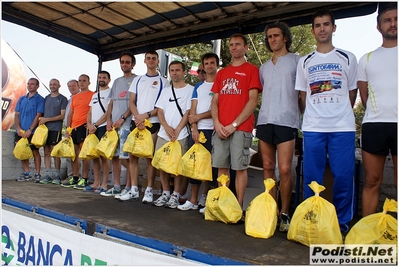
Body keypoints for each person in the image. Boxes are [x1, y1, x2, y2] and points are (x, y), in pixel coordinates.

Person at [295, 10, 358, 234]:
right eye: (318, 25)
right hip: (313, 128)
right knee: (312, 178)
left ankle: (341, 224)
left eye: (326, 24)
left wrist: (338, 113)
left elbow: (352, 93)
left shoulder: (348, 57)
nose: (322, 28)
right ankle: (312, 222)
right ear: (312, 31)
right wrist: (314, 116)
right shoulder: (305, 61)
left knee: (343, 176)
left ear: (334, 28)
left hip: (343, 127)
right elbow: (302, 96)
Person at [255, 22, 300, 232]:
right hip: (264, 120)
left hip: (287, 121)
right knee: (266, 168)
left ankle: (284, 213)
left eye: (276, 35)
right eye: (270, 36)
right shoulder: (263, 67)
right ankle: (271, 211)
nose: (272, 39)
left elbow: (302, 94)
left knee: (284, 170)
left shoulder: (296, 61)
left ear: (285, 38)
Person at [211, 33, 262, 210]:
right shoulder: (222, 73)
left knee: (240, 168)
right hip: (220, 128)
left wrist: (233, 125)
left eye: (238, 44)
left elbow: (253, 100)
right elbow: (214, 101)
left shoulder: (252, 70)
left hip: (240, 128)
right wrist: (217, 123)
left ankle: (238, 208)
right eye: (231, 44)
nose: (233, 47)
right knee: (221, 168)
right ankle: (222, 206)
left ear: (245, 47)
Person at [359, 3, 397, 217]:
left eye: (396, 19)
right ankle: (367, 232)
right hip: (375, 125)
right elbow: (364, 97)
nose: (393, 23)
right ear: (379, 26)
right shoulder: (367, 59)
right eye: (387, 20)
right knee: (372, 181)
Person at [122, 50, 169, 203]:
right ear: (144, 61)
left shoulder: (163, 81)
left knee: (150, 158)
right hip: (136, 123)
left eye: (153, 58)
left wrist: (146, 115)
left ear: (158, 61)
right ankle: (134, 189)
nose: (151, 61)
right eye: (148, 58)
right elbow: (131, 102)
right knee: (132, 157)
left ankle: (149, 190)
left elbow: (161, 106)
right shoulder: (138, 80)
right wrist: (137, 117)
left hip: (153, 123)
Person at [177, 53, 220, 211]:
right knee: (195, 166)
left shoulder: (220, 84)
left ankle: (208, 200)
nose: (209, 66)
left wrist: (197, 117)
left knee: (211, 167)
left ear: (217, 64)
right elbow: (192, 109)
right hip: (198, 131)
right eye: (206, 63)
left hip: (213, 130)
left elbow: (217, 110)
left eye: (212, 63)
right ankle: (193, 200)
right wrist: (194, 128)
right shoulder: (198, 86)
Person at [152, 61, 194, 208]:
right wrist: (167, 127)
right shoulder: (165, 91)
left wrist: (177, 129)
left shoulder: (190, 90)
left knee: (178, 167)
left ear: (184, 72)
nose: (174, 73)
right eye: (172, 70)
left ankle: (175, 194)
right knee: (162, 164)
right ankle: (165, 193)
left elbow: (188, 112)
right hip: (164, 134)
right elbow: (159, 111)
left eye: (177, 70)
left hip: (181, 134)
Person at [102, 52, 136, 198]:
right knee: (114, 157)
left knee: (127, 158)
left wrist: (123, 118)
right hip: (113, 126)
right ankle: (116, 186)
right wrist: (108, 120)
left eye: (127, 62)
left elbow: (134, 103)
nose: (124, 64)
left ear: (133, 64)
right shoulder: (116, 81)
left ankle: (129, 187)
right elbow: (111, 102)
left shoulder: (136, 80)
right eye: (122, 62)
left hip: (128, 124)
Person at [62, 74, 95, 189]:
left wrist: (90, 124)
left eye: (84, 81)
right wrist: (68, 128)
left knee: (84, 154)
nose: (81, 83)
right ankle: (75, 177)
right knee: (74, 154)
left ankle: (85, 179)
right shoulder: (74, 97)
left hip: (84, 127)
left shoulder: (93, 95)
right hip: (73, 128)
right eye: (80, 81)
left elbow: (93, 111)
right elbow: (70, 113)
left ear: (88, 83)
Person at [84, 71, 112, 194]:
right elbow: (90, 111)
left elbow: (109, 112)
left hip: (103, 127)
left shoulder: (111, 93)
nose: (101, 79)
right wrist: (89, 124)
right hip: (92, 129)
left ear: (109, 80)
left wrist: (96, 125)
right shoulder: (95, 94)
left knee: (104, 156)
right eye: (99, 77)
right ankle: (95, 182)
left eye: (104, 78)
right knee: (94, 156)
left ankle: (104, 184)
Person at [38, 78, 68, 184]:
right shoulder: (46, 98)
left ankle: (57, 175)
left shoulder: (63, 99)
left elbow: (62, 115)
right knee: (46, 152)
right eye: (51, 84)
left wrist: (48, 119)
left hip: (56, 129)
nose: (52, 86)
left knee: (55, 152)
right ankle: (47, 174)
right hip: (45, 130)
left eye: (55, 84)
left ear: (59, 86)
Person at [14, 78, 45, 182]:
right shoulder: (21, 99)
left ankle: (37, 174)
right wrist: (18, 129)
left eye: (32, 84)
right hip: (20, 132)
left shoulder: (40, 99)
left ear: (37, 86)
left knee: (35, 152)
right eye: (28, 84)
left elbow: (38, 115)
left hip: (33, 132)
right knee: (22, 151)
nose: (29, 86)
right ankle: (27, 173)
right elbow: (16, 115)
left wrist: (30, 130)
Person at [64, 80, 80, 178]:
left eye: (74, 86)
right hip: (69, 129)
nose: (72, 88)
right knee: (70, 154)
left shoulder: (80, 97)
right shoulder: (70, 99)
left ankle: (79, 176)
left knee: (78, 155)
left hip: (78, 128)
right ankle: (71, 176)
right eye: (69, 86)